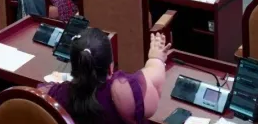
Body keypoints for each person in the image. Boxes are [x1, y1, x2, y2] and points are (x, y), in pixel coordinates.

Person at [40, 28, 170, 124]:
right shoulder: (125, 93)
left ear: (74, 66)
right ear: (110, 67)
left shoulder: (52, 96)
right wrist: (156, 58)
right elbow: (155, 81)